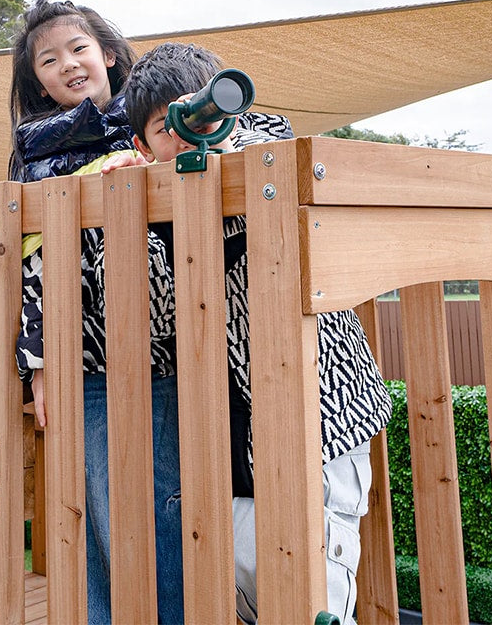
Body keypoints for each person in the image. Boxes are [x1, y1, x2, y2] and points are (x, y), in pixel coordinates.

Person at [110, 41, 394, 625]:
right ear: (141, 146)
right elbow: (157, 313)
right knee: (247, 583)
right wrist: (135, 210)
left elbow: (272, 150)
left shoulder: (270, 154)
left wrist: (223, 139)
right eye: (167, 127)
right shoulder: (154, 206)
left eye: (200, 115)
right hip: (232, 439)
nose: (188, 135)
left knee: (315, 588)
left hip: (320, 423)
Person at [9, 0, 184, 624]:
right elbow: (28, 268)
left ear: (107, 53)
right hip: (84, 358)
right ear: (39, 81)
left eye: (77, 49)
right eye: (49, 61)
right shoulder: (36, 157)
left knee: (168, 507)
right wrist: (40, 366)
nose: (68, 64)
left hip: (166, 350)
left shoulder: (158, 125)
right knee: (99, 514)